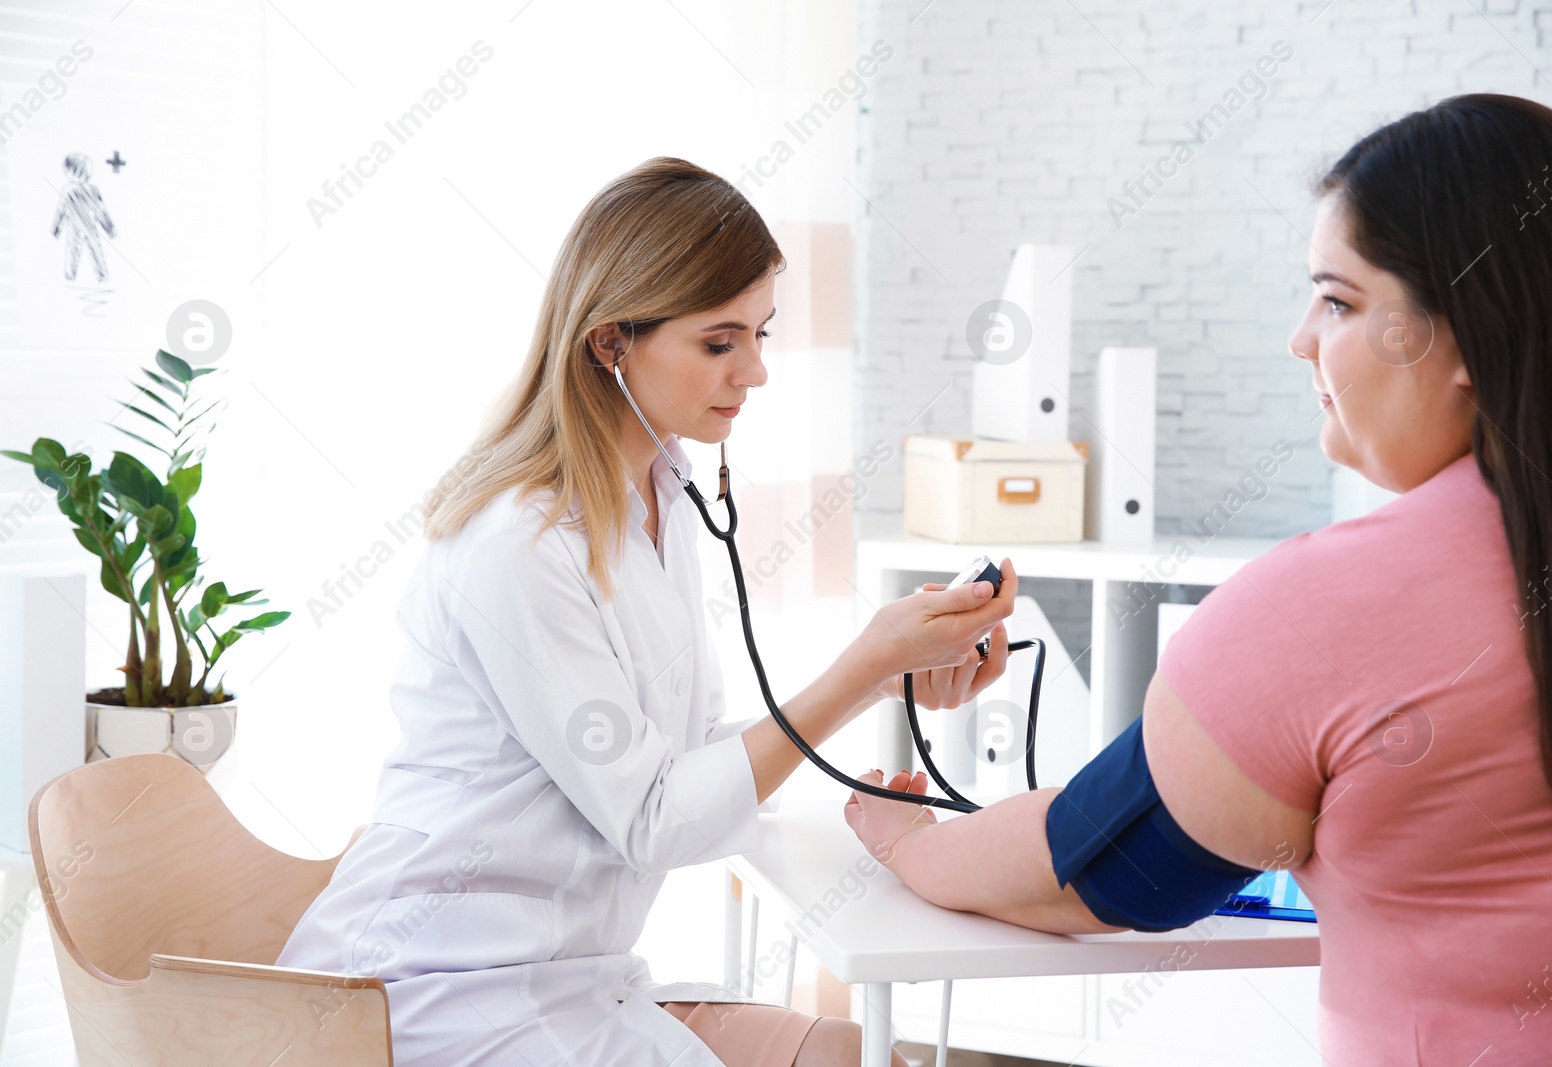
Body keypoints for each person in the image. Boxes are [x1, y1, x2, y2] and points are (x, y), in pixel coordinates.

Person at [844, 93, 1552, 1064]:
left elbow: (1097, 865)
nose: (1300, 339)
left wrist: (914, 843)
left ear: (1460, 330)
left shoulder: (1329, 606)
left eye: (1337, 299)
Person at [274, 157, 1018, 1067]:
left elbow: (683, 756)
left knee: (873, 1057)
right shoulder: (518, 542)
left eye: (761, 334)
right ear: (609, 343)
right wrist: (860, 666)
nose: (755, 371)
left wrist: (887, 674)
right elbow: (656, 818)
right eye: (719, 342)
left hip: (564, 974)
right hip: (433, 992)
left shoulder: (659, 498)